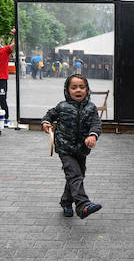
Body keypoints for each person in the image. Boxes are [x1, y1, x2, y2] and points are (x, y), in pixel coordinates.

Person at [42, 74, 103, 219]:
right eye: (74, 87)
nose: (78, 90)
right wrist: (46, 122)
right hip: (65, 148)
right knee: (75, 175)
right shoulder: (62, 106)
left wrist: (92, 135)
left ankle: (66, 202)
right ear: (67, 90)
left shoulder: (91, 107)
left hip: (82, 149)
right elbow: (49, 115)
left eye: (82, 87)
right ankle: (83, 205)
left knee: (77, 176)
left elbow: (96, 124)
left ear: (87, 89)